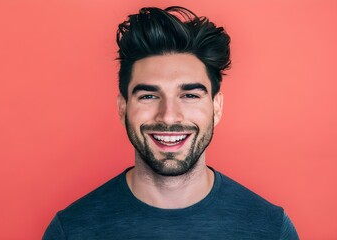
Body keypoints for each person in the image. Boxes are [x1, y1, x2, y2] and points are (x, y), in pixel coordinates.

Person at [43, 6, 299, 239]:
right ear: (123, 108)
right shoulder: (70, 230)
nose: (168, 116)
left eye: (189, 95)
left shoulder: (271, 228)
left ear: (216, 107)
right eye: (149, 96)